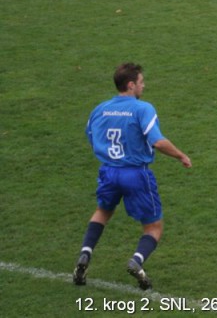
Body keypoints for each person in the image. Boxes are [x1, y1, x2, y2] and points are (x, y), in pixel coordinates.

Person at [73, 63, 192, 290]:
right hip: (135, 174)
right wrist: (180, 155)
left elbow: (92, 136)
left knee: (103, 211)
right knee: (153, 227)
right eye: (141, 82)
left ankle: (85, 254)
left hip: (108, 171)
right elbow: (157, 141)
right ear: (131, 85)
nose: (143, 85)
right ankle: (136, 261)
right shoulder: (142, 109)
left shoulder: (100, 109)